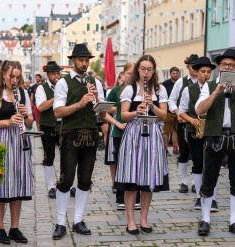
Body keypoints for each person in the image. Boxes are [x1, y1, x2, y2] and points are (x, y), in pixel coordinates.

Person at [52, 43, 105, 240]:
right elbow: (58, 112)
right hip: (70, 134)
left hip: (91, 134)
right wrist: (80, 103)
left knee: (85, 179)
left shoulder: (95, 83)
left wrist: (98, 100)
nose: (84, 64)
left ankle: (78, 220)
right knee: (66, 180)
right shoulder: (63, 83)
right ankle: (59, 223)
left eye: (86, 60)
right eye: (81, 60)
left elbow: (103, 112)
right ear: (73, 61)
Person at [115, 55, 169, 235]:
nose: (146, 72)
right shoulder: (129, 89)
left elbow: (164, 116)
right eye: (143, 68)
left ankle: (144, 219)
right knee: (131, 180)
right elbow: (123, 115)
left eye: (149, 69)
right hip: (133, 135)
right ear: (138, 68)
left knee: (148, 180)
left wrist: (151, 106)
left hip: (152, 135)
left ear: (154, 71)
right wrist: (136, 112)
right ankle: (131, 221)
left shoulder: (159, 90)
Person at [0, 60, 34, 244]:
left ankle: (14, 227)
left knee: (18, 184)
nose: (14, 80)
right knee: (0, 184)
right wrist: (7, 122)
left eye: (17, 77)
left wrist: (25, 115)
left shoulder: (22, 92)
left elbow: (30, 122)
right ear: (3, 75)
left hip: (20, 142)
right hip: (1, 141)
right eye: (11, 76)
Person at [195, 49, 235, 236]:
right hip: (214, 136)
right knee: (209, 177)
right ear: (220, 66)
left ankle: (234, 220)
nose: (228, 67)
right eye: (225, 65)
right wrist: (216, 92)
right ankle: (205, 218)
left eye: (232, 65)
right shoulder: (209, 85)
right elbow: (199, 110)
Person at [179, 57, 216, 210]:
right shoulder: (188, 89)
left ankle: (211, 197)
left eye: (208, 72)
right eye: (202, 72)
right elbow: (181, 110)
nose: (205, 75)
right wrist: (192, 120)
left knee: (212, 166)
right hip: (195, 130)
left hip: (212, 131)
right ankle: (198, 197)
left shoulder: (216, 88)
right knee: (198, 163)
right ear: (197, 72)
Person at [104, 63, 135, 210]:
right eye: (128, 73)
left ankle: (136, 197)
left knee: (136, 164)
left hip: (136, 133)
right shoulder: (116, 90)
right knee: (120, 163)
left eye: (133, 73)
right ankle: (120, 197)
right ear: (122, 74)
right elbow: (102, 111)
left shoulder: (139, 90)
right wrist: (116, 123)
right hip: (119, 132)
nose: (130, 76)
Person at [168, 54, 198, 193]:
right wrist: (178, 112)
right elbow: (172, 100)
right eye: (193, 67)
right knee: (184, 153)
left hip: (200, 123)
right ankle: (184, 182)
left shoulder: (205, 83)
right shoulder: (181, 82)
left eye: (197, 67)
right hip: (184, 122)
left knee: (197, 154)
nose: (195, 70)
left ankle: (196, 182)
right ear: (187, 67)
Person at [35, 61, 63, 199]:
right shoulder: (41, 88)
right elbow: (41, 107)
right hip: (48, 125)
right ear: (48, 75)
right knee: (49, 156)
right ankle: (50, 186)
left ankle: (64, 184)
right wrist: (56, 96)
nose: (56, 76)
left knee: (67, 155)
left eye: (58, 73)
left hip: (63, 124)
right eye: (53, 73)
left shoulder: (64, 86)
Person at [162, 67, 180, 155]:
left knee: (175, 130)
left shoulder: (181, 83)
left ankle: (175, 148)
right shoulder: (165, 84)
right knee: (166, 130)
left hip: (177, 110)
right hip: (167, 110)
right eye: (174, 73)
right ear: (170, 74)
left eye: (177, 73)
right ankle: (165, 148)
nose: (175, 75)